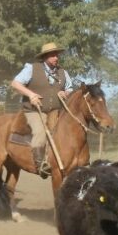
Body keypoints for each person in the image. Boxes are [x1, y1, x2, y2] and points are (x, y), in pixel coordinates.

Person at [10, 42, 76, 177]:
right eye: (53, 55)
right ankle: (41, 165)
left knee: (64, 132)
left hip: (55, 110)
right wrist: (31, 95)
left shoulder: (63, 72)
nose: (56, 57)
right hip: (33, 110)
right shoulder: (31, 69)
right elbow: (15, 83)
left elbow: (70, 88)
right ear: (45, 57)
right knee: (40, 132)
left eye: (57, 55)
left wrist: (65, 93)